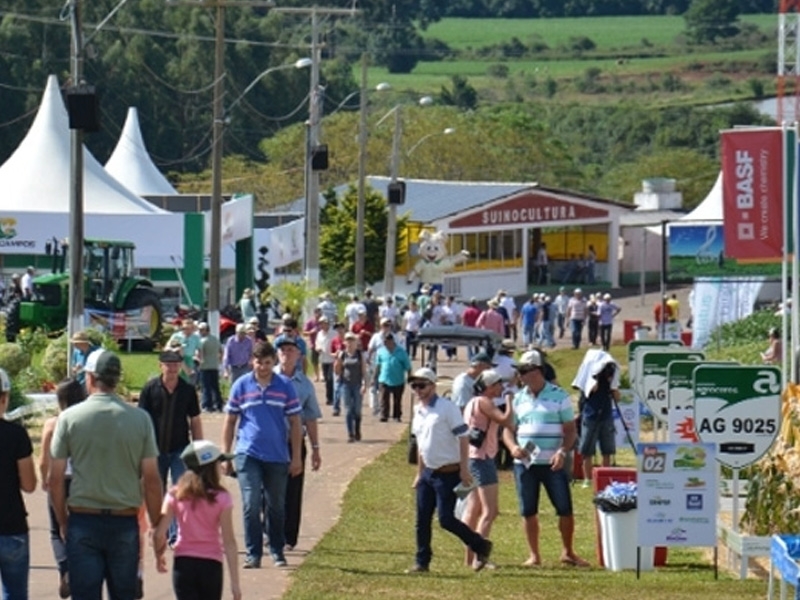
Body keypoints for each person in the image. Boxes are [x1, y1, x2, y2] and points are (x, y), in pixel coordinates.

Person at [49, 349, 163, 599]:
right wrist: (157, 525)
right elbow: (152, 480)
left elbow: (55, 479)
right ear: (117, 380)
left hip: (83, 519)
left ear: (89, 378)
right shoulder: (140, 419)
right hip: (124, 521)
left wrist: (62, 521)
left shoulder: (68, 418)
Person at [502, 350, 588, 568]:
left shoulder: (559, 396)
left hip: (553, 462)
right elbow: (508, 430)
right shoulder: (518, 398)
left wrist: (562, 452)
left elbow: (570, 431)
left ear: (538, 371)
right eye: (519, 372)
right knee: (528, 510)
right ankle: (534, 555)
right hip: (525, 464)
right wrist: (512, 447)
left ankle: (568, 552)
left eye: (524, 371)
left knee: (564, 508)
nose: (520, 376)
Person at [221, 341, 302, 569]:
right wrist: (226, 455)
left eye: (267, 363)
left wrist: (296, 457)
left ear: (273, 362)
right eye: (259, 362)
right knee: (250, 502)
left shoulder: (285, 386)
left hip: (277, 455)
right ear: (251, 361)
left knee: (276, 504)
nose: (263, 367)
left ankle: (276, 549)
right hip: (248, 454)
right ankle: (253, 552)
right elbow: (230, 421)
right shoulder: (241, 385)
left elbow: (295, 422)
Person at [407, 367, 494, 573]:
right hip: (429, 472)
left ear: (433, 385)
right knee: (422, 519)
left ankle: (480, 544)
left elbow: (463, 438)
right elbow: (421, 444)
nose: (418, 390)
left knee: (446, 519)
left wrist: (464, 470)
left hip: (449, 472)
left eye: (422, 385)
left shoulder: (447, 408)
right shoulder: (418, 410)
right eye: (414, 386)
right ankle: (422, 561)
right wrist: (419, 473)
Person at [153, 440, 241, 600]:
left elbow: (160, 533)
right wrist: (235, 583)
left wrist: (159, 555)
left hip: (183, 564)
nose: (220, 467)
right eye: (218, 463)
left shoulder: (175, 494)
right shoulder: (222, 498)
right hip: (211, 565)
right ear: (210, 468)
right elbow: (229, 541)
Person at [138, 350, 203, 546]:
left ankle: (176, 534)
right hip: (154, 449)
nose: (173, 368)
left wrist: (199, 450)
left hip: (179, 449)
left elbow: (195, 421)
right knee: (154, 489)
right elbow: (141, 420)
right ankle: (158, 529)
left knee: (179, 491)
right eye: (168, 364)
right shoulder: (150, 389)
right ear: (161, 365)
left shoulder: (187, 390)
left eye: (176, 364)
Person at [460, 369, 513, 568]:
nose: (502, 388)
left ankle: (469, 558)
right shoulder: (485, 402)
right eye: (499, 384)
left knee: (473, 509)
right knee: (490, 511)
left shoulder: (472, 402)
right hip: (483, 459)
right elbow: (506, 420)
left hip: (472, 458)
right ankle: (479, 557)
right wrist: (509, 401)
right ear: (490, 387)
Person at [274, 335, 322, 551]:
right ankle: (270, 531)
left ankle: (288, 537)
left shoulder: (304, 385)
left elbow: (310, 418)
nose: (286, 353)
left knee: (292, 491)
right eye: (282, 349)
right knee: (269, 489)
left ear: (299, 355)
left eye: (291, 350)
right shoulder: (265, 377)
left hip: (294, 443)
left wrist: (315, 449)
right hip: (269, 442)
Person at [39, 378, 86, 599]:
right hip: (80, 480)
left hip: (57, 478)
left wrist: (43, 478)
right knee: (80, 527)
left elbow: (43, 459)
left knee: (56, 529)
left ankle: (65, 568)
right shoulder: (86, 422)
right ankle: (79, 570)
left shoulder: (52, 423)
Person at [0, 367, 37, 600]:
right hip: (11, 525)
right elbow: (29, 484)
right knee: (14, 593)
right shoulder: (16, 434)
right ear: (5, 397)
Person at [579, 359, 620, 489]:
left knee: (607, 449)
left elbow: (617, 398)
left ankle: (606, 477)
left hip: (606, 415)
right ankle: (587, 479)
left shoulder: (610, 380)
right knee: (587, 449)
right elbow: (588, 392)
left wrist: (612, 385)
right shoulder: (588, 378)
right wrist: (595, 379)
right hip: (591, 415)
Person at [334, 332, 367, 442]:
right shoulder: (342, 354)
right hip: (345, 385)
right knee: (348, 410)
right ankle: (350, 434)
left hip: (357, 384)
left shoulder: (359, 354)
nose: (349, 343)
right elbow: (337, 371)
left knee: (357, 410)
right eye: (347, 340)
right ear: (345, 342)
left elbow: (363, 371)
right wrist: (337, 362)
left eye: (352, 340)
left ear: (356, 342)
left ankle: (357, 429)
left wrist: (364, 384)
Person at [375, 332, 412, 422]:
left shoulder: (401, 352)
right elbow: (378, 365)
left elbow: (408, 366)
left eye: (387, 342)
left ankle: (397, 416)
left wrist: (409, 377)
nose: (385, 344)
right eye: (384, 342)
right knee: (384, 398)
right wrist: (375, 376)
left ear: (392, 341)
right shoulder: (381, 351)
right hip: (384, 379)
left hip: (398, 379)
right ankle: (384, 415)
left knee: (397, 400)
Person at [196, 322, 224, 412]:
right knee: (215, 387)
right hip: (214, 366)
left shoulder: (202, 341)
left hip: (205, 366)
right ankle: (219, 404)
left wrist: (199, 361)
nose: (200, 331)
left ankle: (207, 405)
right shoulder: (215, 339)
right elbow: (221, 350)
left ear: (206, 330)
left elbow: (200, 353)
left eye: (201, 330)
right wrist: (219, 360)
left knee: (206, 387)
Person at [315, 316, 337, 411]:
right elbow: (317, 344)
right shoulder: (319, 334)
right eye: (321, 323)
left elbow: (337, 343)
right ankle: (329, 397)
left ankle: (331, 398)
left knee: (330, 378)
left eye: (324, 323)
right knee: (326, 380)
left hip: (332, 359)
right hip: (323, 359)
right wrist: (317, 348)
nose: (322, 325)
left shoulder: (333, 333)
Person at [303, 307, 322, 382]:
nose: (319, 315)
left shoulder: (323, 322)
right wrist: (311, 332)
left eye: (320, 313)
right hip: (313, 344)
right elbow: (304, 332)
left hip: (322, 345)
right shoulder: (310, 322)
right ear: (314, 313)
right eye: (317, 313)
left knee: (322, 361)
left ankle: (321, 375)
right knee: (315, 361)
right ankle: (317, 376)